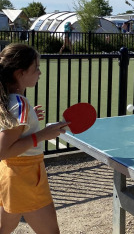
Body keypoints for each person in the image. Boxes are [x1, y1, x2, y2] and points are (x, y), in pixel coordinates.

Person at [0, 43, 69, 233]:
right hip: (26, 176)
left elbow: (9, 131)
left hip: (11, 174)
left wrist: (29, 123)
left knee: (4, 228)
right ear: (20, 73)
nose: (40, 72)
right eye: (36, 68)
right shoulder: (19, 105)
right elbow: (3, 150)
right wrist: (43, 134)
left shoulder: (9, 100)